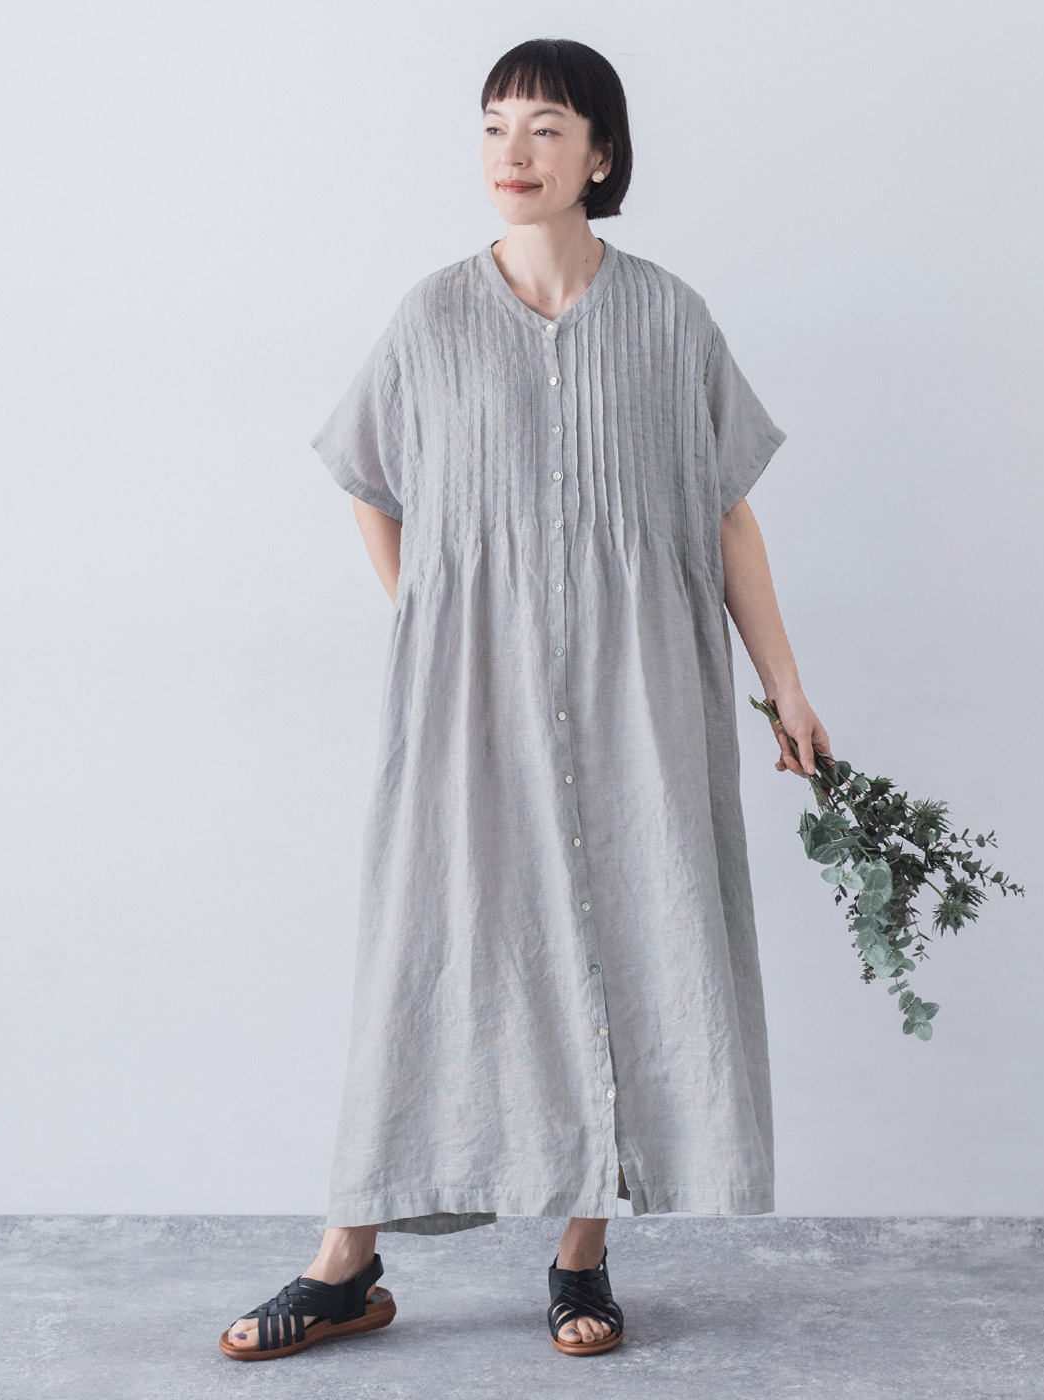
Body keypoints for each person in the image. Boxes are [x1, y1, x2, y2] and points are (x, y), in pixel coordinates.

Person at [219, 36, 829, 1362]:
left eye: (546, 128)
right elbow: (374, 486)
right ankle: (346, 1260)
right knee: (432, 948)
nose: (514, 153)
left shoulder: (670, 319)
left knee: (633, 933)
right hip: (470, 706)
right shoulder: (431, 317)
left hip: (643, 694)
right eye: (495, 126)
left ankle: (582, 1254)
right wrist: (437, 618)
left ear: (600, 155)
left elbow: (728, 514)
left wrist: (785, 688)